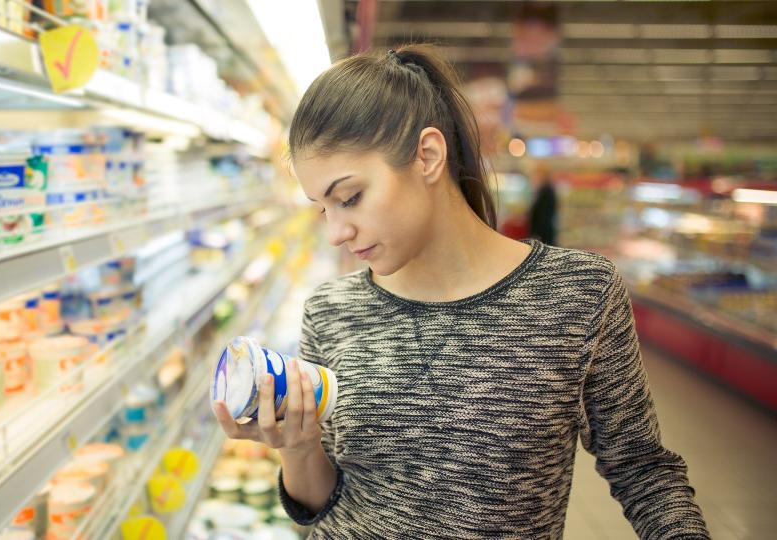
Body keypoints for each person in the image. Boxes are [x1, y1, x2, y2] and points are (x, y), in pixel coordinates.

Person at [212, 44, 708, 539]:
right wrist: (297, 449)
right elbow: (321, 510)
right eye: (324, 209)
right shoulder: (331, 310)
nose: (336, 232)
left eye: (350, 198)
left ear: (427, 156)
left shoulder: (577, 294)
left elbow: (644, 473)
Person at [528, 167, 558, 246]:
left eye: (537, 176)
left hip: (543, 234)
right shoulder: (543, 191)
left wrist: (537, 234)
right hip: (543, 233)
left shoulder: (546, 192)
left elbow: (544, 216)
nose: (534, 178)